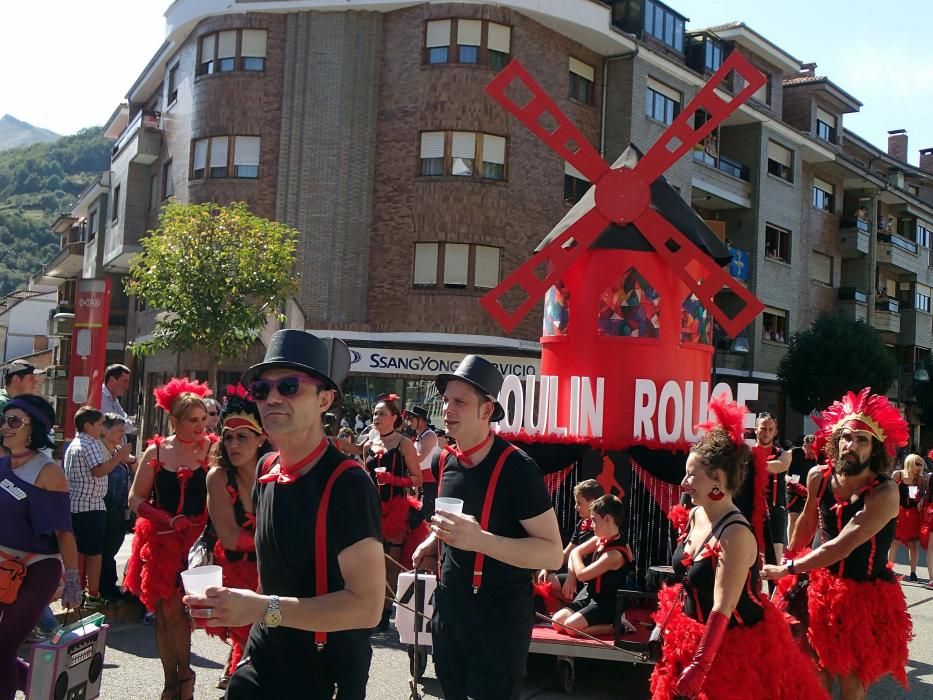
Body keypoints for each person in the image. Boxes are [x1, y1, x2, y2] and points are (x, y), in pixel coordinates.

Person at [185, 330, 384, 699]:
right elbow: (272, 577)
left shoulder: (348, 484)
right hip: (262, 657)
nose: (273, 398)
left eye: (290, 386)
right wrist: (234, 607)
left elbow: (367, 607)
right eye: (262, 390)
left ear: (324, 399)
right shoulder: (266, 469)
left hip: (324, 670)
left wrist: (261, 608)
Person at [650, 396, 827, 700]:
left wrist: (701, 665)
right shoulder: (694, 515)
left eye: (692, 474)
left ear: (717, 479)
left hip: (737, 648)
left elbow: (723, 606)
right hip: (694, 636)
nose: (684, 482)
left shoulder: (736, 534)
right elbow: (685, 579)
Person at [412, 355, 563, 700]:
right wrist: (433, 542)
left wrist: (480, 540)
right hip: (450, 609)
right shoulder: (443, 459)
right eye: (446, 400)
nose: (447, 409)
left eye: (460, 402)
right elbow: (451, 524)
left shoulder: (519, 470)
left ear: (486, 410)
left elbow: (552, 552)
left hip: (499, 620)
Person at [763, 388, 912, 699]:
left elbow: (842, 545)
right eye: (846, 437)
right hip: (822, 585)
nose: (850, 445)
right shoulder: (819, 476)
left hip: (865, 595)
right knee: (815, 673)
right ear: (836, 440)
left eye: (861, 440)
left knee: (851, 684)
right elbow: (806, 522)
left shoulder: (885, 493)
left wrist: (788, 567)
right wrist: (789, 567)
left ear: (876, 448)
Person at [125, 378, 213, 700]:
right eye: (193, 420)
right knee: (164, 614)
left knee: (178, 612)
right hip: (160, 542)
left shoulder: (211, 450)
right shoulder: (156, 451)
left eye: (204, 419)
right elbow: (135, 499)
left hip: (198, 543)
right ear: (174, 421)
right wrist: (166, 518)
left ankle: (185, 674)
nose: (200, 426)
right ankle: (171, 680)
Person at [0, 395, 81, 700]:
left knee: (4, 645)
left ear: (34, 427)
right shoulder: (2, 464)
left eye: (14, 421)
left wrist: (72, 581)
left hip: (38, 569)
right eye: (4, 420)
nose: (5, 427)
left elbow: (65, 533)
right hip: (3, 566)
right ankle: (47, 689)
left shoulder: (49, 472)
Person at [204, 385, 271, 690]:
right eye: (228, 437)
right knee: (248, 642)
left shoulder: (278, 473)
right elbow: (230, 538)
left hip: (274, 570)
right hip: (237, 571)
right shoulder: (218, 476)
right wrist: (277, 539)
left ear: (261, 439)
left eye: (242, 436)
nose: (233, 444)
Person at [63, 406, 132, 610]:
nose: (102, 428)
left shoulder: (75, 444)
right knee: (94, 553)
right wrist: (119, 458)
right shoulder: (90, 444)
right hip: (91, 505)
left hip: (77, 504)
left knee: (80, 551)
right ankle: (93, 595)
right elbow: (99, 471)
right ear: (88, 425)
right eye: (100, 424)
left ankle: (79, 591)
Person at [362, 395, 421, 629]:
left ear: (394, 418)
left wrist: (393, 479)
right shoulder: (368, 444)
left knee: (391, 562)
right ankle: (371, 608)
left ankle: (385, 613)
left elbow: (416, 479)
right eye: (375, 413)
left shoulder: (403, 444)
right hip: (371, 508)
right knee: (370, 560)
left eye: (381, 413)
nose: (376, 418)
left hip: (395, 507)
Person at [552, 494, 633, 637]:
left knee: (571, 628)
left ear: (608, 519)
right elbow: (576, 551)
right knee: (557, 622)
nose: (592, 525)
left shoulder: (614, 554)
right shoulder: (599, 538)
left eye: (594, 521)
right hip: (589, 594)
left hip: (606, 603)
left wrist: (575, 556)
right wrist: (573, 568)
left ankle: (618, 626)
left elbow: (582, 574)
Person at [537, 478, 605, 600]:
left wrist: (571, 577)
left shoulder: (602, 527)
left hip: (592, 580)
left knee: (553, 582)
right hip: (577, 576)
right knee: (540, 576)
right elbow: (568, 553)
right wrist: (547, 568)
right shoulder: (581, 524)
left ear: (593, 502)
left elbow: (577, 554)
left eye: (579, 503)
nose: (575, 507)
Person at [99, 413, 136, 602]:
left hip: (120, 509)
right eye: (118, 430)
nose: (122, 434)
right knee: (105, 550)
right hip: (104, 508)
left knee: (111, 549)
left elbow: (135, 474)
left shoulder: (118, 453)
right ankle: (104, 588)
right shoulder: (100, 452)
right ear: (105, 430)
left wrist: (128, 459)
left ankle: (109, 586)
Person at [755, 412, 791, 563]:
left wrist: (749, 464)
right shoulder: (747, 453)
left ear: (776, 432)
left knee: (774, 561)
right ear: (756, 430)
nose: (766, 433)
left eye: (770, 429)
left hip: (775, 511)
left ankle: (774, 586)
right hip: (752, 510)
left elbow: (779, 466)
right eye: (763, 428)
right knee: (750, 557)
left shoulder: (784, 454)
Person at [890, 453, 925, 582]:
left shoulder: (920, 479)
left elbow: (921, 496)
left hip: (914, 514)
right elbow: (889, 491)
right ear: (910, 462)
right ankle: (889, 569)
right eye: (917, 463)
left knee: (913, 544)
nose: (919, 467)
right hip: (899, 513)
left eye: (921, 464)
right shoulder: (898, 475)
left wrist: (921, 498)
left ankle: (913, 572)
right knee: (894, 543)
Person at [786, 434, 818, 544]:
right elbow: (784, 473)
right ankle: (790, 545)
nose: (811, 452)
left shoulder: (818, 456)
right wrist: (789, 480)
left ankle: (805, 545)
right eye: (809, 448)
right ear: (804, 445)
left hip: (810, 491)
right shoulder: (793, 453)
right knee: (793, 517)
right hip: (793, 489)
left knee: (808, 519)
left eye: (814, 448)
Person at [407, 405, 438, 517]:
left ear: (420, 420)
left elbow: (419, 458)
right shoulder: (420, 435)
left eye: (411, 418)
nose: (409, 421)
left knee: (428, 515)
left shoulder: (429, 435)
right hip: (421, 479)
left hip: (430, 481)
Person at [101, 364, 136, 438]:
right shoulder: (101, 397)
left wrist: (127, 423)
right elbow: (116, 424)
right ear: (112, 380)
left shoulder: (114, 399)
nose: (127, 386)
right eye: (125, 381)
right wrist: (129, 423)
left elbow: (124, 419)